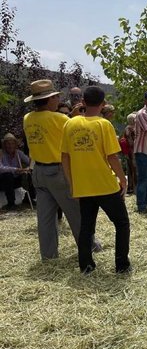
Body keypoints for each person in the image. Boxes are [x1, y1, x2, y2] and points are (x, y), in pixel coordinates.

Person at [23, 79, 100, 259]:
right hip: (58, 172)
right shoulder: (59, 118)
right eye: (56, 96)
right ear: (49, 99)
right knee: (76, 213)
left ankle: (49, 255)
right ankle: (88, 247)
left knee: (45, 218)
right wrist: (74, 116)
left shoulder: (27, 118)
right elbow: (77, 131)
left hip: (39, 173)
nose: (58, 98)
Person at [61, 86, 130, 275]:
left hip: (83, 185)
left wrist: (71, 183)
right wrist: (123, 179)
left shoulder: (70, 124)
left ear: (82, 102)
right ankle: (122, 265)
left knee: (86, 227)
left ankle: (86, 265)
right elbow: (112, 157)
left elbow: (64, 157)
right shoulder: (104, 124)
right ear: (103, 104)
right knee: (122, 223)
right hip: (105, 184)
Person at [0, 133, 34, 209]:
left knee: (31, 174)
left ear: (15, 145)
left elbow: (30, 162)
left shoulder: (19, 153)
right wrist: (16, 170)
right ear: (4, 145)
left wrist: (28, 169)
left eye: (12, 143)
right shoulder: (1, 153)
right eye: (8, 144)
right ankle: (11, 204)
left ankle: (28, 198)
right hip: (3, 181)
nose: (10, 146)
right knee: (7, 175)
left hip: (16, 180)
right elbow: (1, 168)